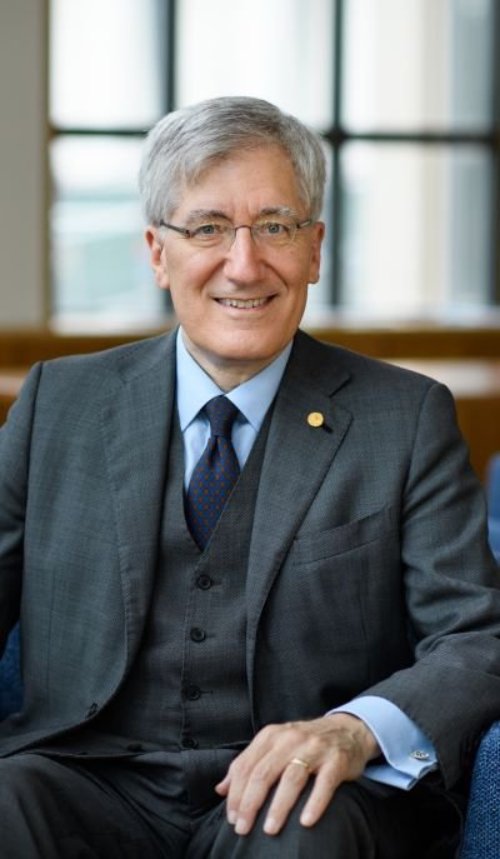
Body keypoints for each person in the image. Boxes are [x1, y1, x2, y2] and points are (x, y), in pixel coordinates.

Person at [0, 95, 500, 859]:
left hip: (304, 794)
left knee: (302, 836)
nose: (244, 262)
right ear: (157, 251)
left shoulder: (406, 417)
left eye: (275, 226)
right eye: (206, 228)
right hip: (86, 777)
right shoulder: (57, 403)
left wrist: (354, 728)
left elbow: (477, 634)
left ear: (315, 248)